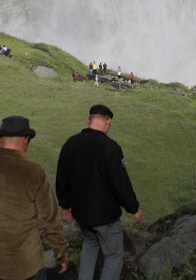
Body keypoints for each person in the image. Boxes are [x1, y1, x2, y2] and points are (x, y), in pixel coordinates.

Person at [0, 116, 68, 280]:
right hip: (27, 266)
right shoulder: (34, 172)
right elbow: (49, 220)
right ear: (26, 140)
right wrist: (61, 253)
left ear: (0, 138)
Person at [56, 104, 142, 280]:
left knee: (90, 243)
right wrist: (134, 207)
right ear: (108, 121)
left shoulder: (70, 143)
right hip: (105, 217)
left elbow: (61, 179)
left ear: (89, 120)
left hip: (81, 215)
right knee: (113, 256)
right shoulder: (111, 147)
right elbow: (120, 183)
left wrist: (66, 206)